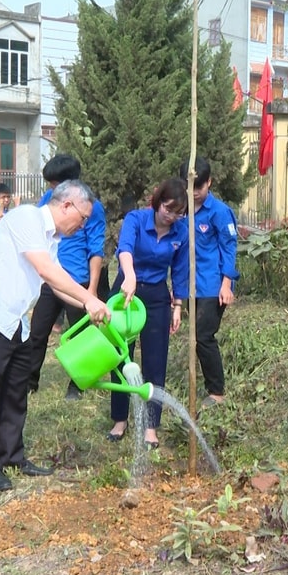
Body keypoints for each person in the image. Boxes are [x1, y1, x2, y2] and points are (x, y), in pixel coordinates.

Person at [0, 179, 109, 492]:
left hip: (15, 324)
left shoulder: (50, 239)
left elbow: (56, 284)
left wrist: (91, 306)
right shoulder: (26, 217)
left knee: (15, 392)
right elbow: (45, 271)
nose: (82, 226)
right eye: (83, 218)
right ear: (66, 204)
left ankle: (14, 456)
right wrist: (89, 299)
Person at [107, 178, 189, 448]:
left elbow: (179, 271)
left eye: (178, 213)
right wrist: (128, 276)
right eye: (168, 209)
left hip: (155, 296)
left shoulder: (181, 232)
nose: (172, 216)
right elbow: (125, 250)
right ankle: (120, 420)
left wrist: (177, 305)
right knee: (121, 358)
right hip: (125, 293)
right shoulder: (136, 219)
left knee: (156, 361)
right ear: (157, 202)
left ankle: (151, 426)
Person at [27, 154, 106, 400]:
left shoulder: (92, 208)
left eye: (54, 185)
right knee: (38, 330)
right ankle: (29, 381)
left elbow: (96, 250)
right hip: (51, 279)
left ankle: (78, 384)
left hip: (78, 283)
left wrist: (91, 290)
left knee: (81, 335)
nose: (51, 190)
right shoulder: (48, 201)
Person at [180, 157, 239, 409]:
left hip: (212, 285)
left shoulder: (219, 212)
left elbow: (230, 248)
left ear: (209, 184)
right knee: (194, 335)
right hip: (190, 285)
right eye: (189, 187)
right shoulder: (181, 208)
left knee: (204, 336)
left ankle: (216, 391)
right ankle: (202, 381)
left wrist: (226, 285)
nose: (194, 193)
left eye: (199, 188)